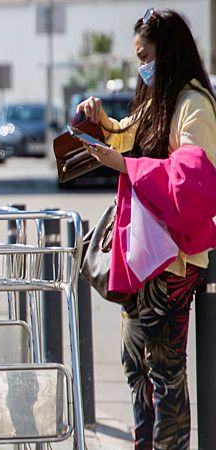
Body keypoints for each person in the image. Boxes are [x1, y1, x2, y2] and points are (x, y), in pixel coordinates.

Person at [77, 9, 216, 448]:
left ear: (168, 53)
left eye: (145, 56)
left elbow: (190, 187)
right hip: (143, 258)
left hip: (172, 262)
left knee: (165, 372)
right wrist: (98, 122)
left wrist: (125, 164)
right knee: (136, 366)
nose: (142, 67)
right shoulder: (159, 99)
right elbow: (128, 137)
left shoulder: (193, 104)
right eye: (137, 58)